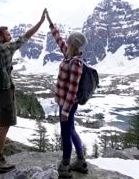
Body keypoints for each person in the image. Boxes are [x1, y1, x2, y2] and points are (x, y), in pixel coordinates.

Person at [0, 9, 46, 173]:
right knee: (4, 124)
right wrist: (40, 22)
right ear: (0, 38)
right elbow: (26, 37)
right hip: (4, 91)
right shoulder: (7, 48)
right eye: (7, 34)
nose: (10, 36)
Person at [45, 10, 89, 178]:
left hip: (68, 104)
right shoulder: (69, 54)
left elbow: (73, 90)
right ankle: (80, 161)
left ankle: (65, 167)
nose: (66, 41)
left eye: (69, 39)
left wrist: (65, 111)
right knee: (71, 130)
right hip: (65, 103)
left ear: (73, 43)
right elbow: (59, 40)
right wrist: (50, 22)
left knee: (65, 133)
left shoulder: (76, 63)